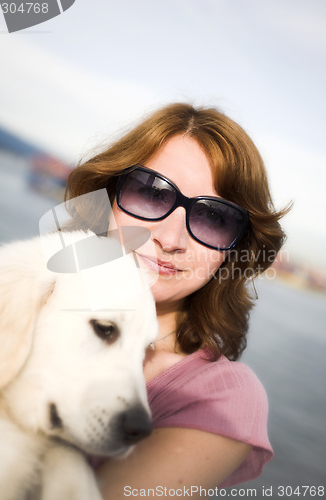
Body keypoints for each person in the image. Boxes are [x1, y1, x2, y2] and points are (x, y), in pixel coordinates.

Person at [65, 103, 289, 498]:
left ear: (233, 251)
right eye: (152, 193)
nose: (170, 239)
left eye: (214, 218)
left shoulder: (220, 396)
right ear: (109, 196)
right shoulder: (21, 293)